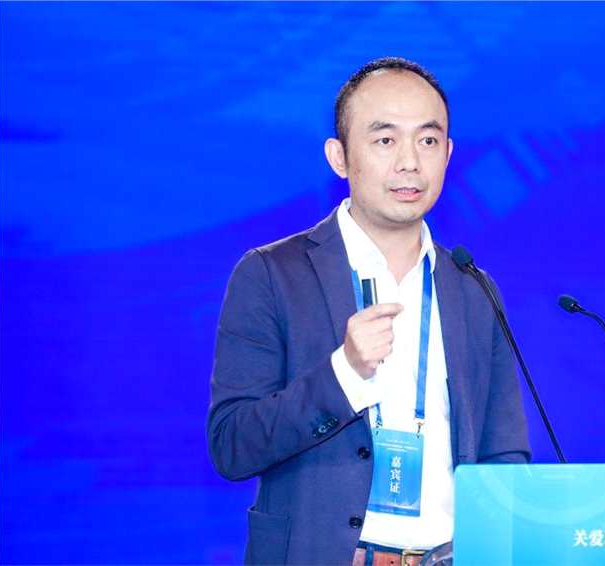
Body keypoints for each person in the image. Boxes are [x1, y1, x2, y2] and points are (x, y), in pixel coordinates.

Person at [207, 57, 531, 566]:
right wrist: (345, 373)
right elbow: (233, 444)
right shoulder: (272, 274)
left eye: (428, 140)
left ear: (448, 154)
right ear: (339, 156)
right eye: (385, 140)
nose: (409, 162)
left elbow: (503, 453)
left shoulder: (473, 289)